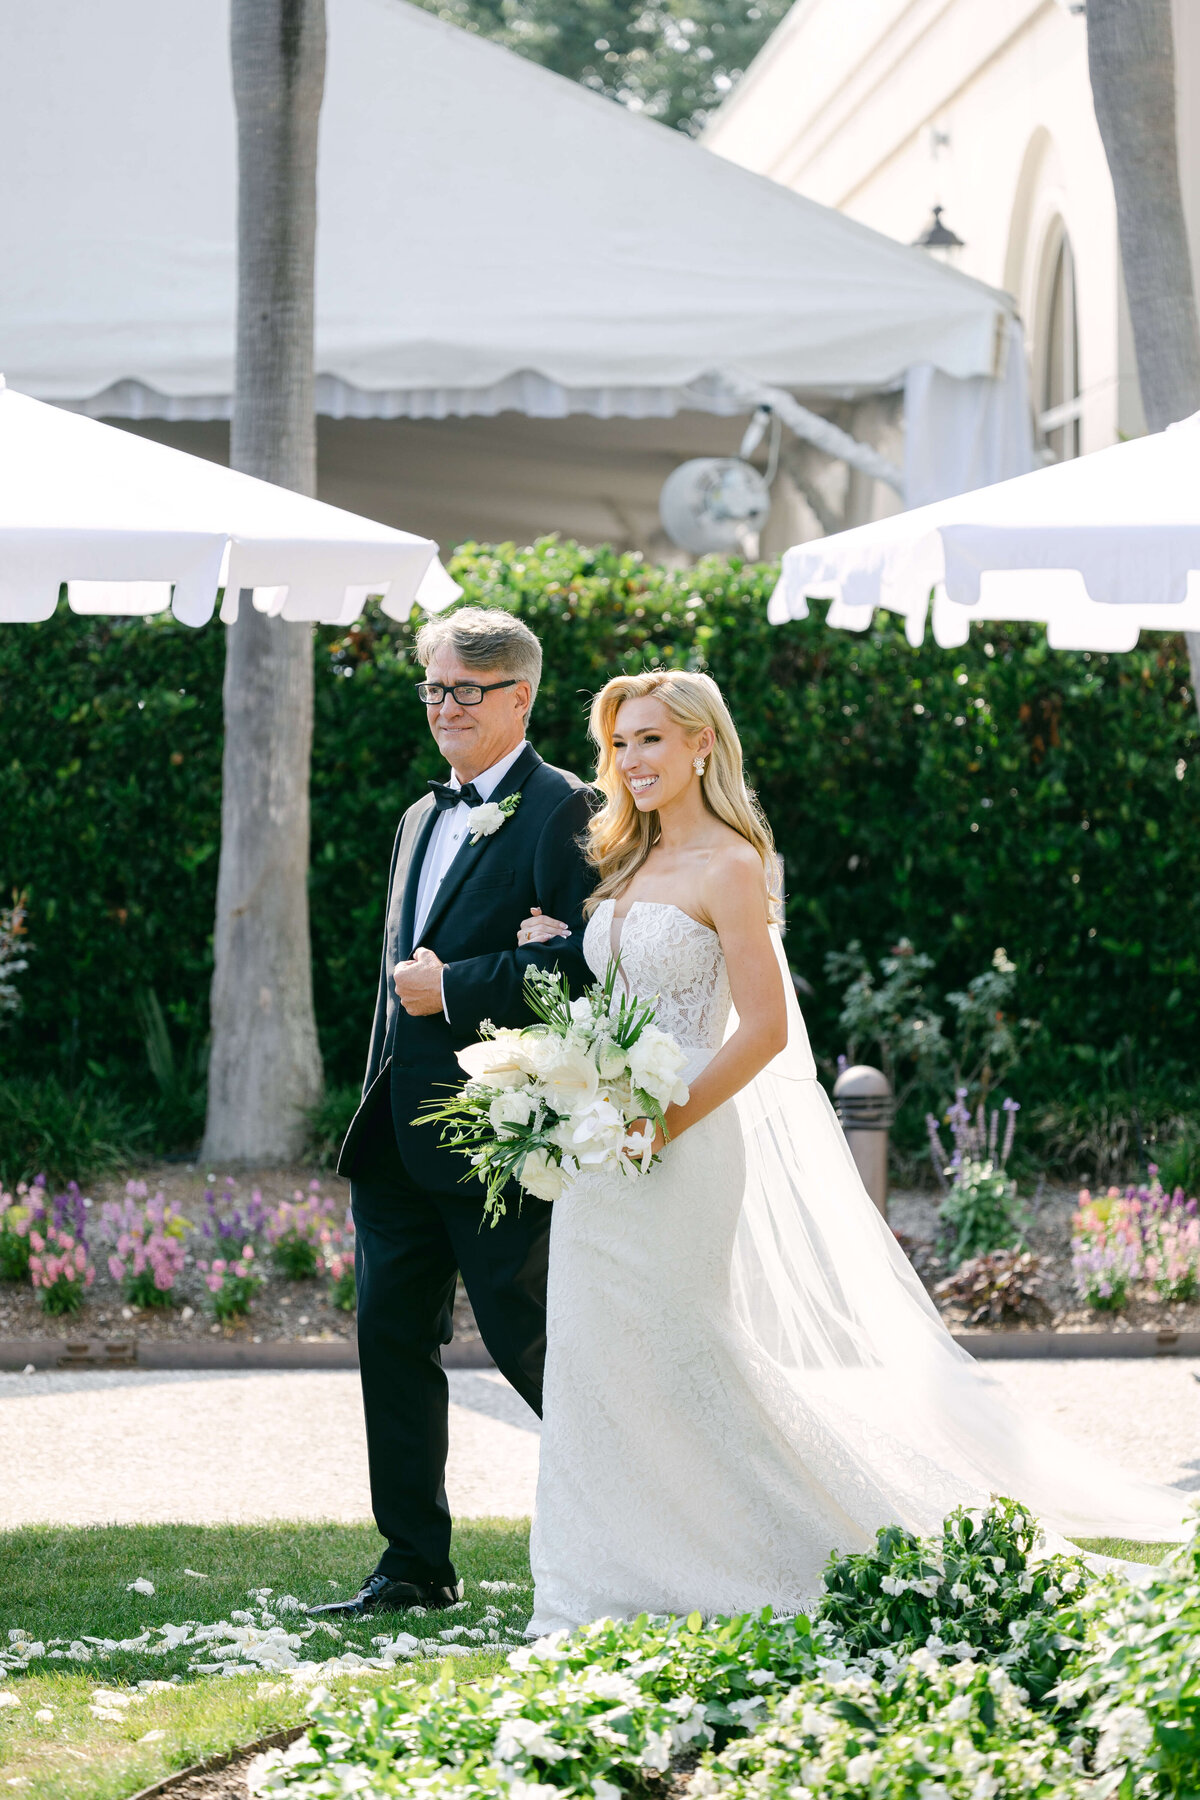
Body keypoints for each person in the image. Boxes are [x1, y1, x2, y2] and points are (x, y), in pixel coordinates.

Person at [516, 668, 1187, 1635]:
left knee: (685, 1350)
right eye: (619, 745)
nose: (631, 762)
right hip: (597, 1153)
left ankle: (785, 1545)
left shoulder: (733, 865)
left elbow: (764, 1028)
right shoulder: (621, 861)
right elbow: (622, 1004)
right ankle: (604, 1573)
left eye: (652, 740)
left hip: (681, 1141)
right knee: (594, 1357)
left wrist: (661, 1121)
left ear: (703, 744)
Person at [311, 607, 595, 1620]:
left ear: (518, 697)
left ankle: (636, 1523)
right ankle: (413, 1566)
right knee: (389, 1339)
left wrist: (465, 984)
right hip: (393, 1131)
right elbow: (394, 976)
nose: (443, 708)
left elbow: (592, 964)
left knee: (531, 1346)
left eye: (464, 692)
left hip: (494, 1135)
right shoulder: (420, 816)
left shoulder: (568, 807)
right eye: (432, 689)